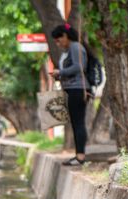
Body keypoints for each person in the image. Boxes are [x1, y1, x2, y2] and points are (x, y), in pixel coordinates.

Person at [51, 23, 89, 166]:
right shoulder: (67, 50)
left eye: (58, 39)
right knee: (75, 122)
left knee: (78, 122)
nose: (57, 43)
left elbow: (79, 66)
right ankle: (78, 154)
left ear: (65, 36)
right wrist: (59, 76)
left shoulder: (75, 47)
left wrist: (60, 72)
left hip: (77, 89)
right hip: (71, 88)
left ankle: (80, 156)